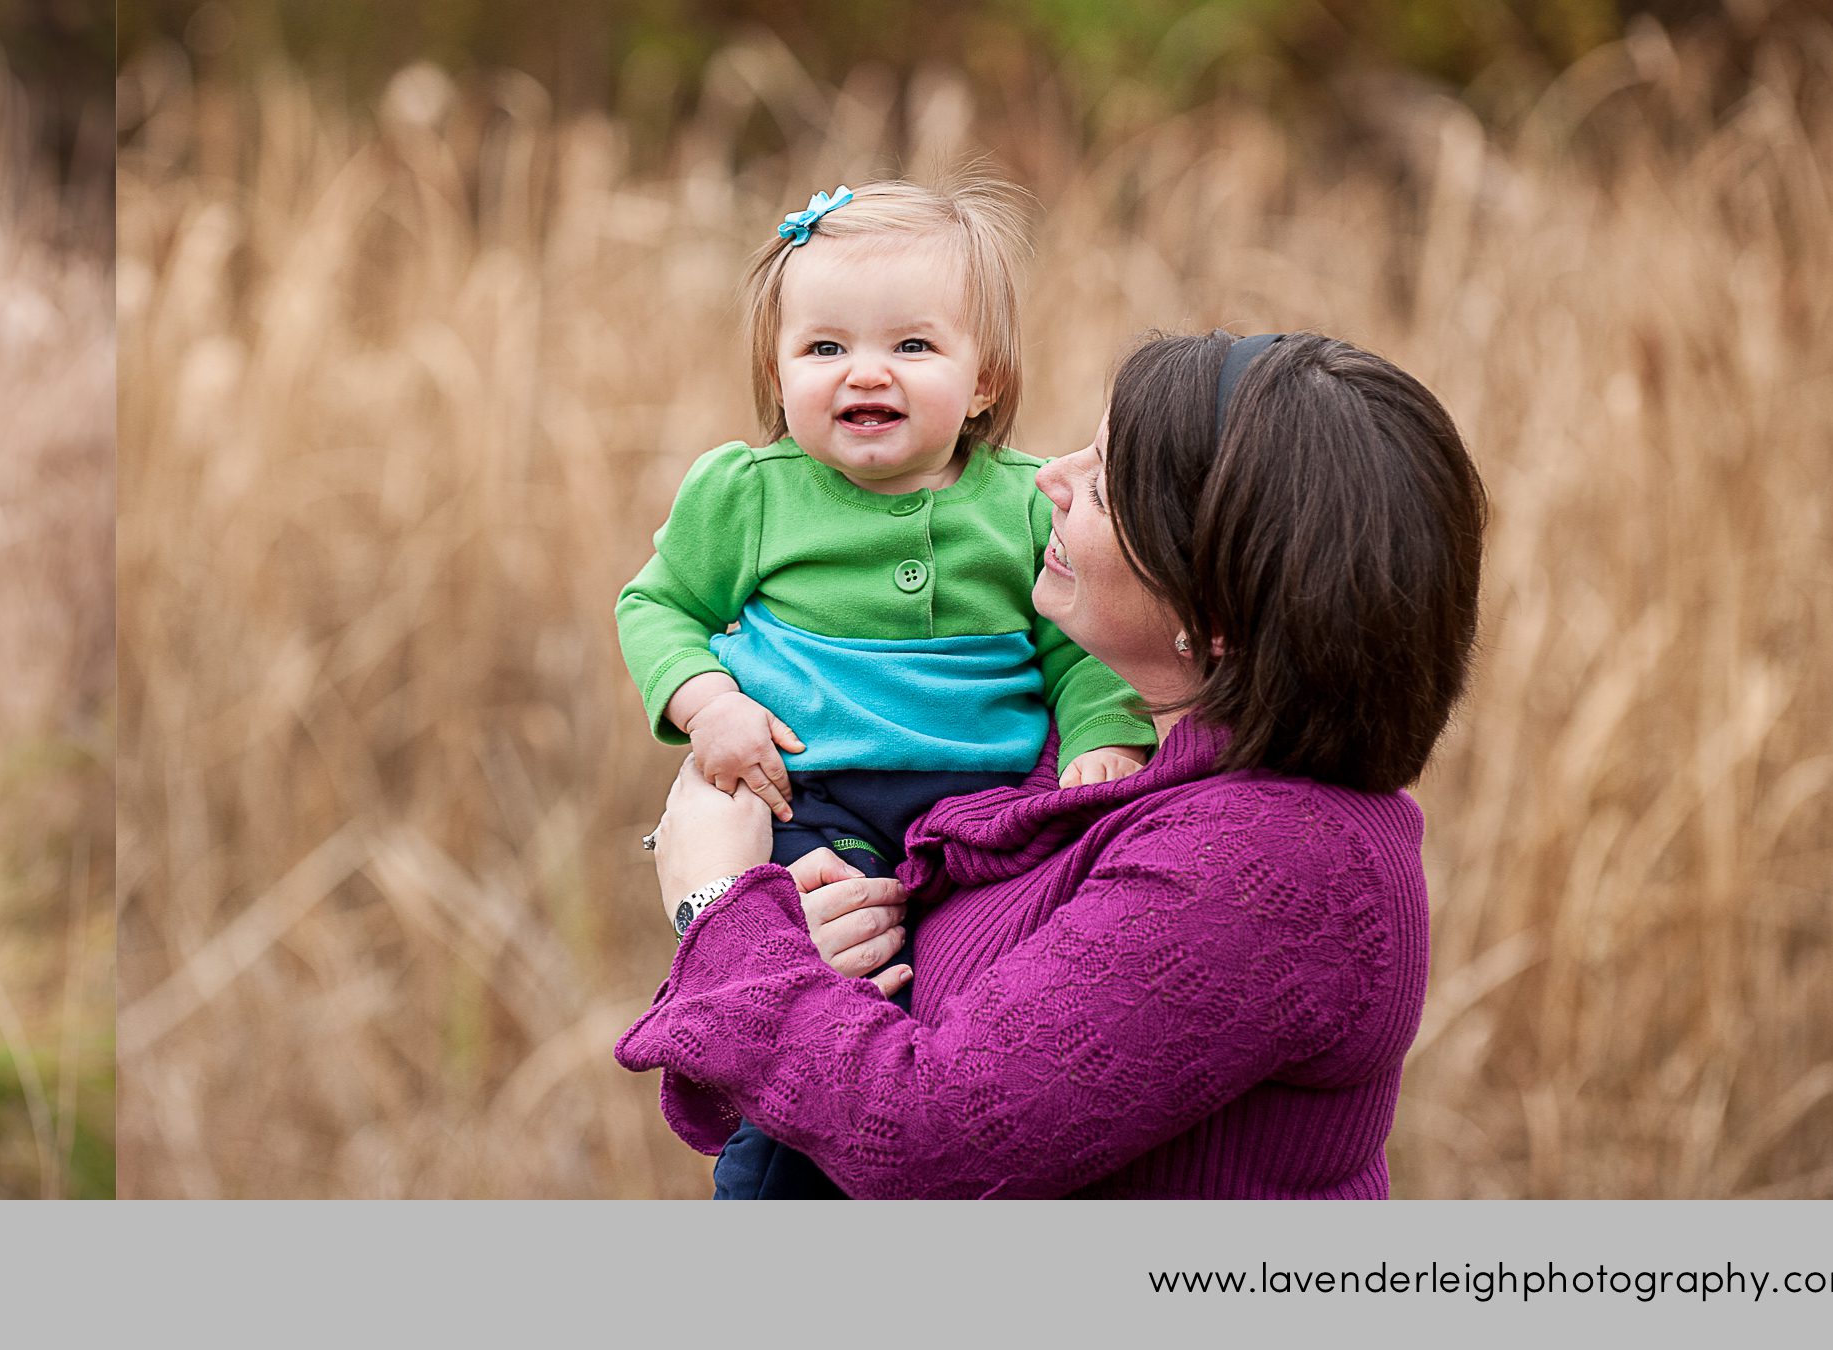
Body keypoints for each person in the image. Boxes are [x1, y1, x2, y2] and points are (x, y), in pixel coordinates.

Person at [618, 329, 1487, 1198]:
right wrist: (807, 940)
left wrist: (716, 907)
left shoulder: (1271, 863)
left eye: (1104, 487)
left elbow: (930, 1140)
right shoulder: (1075, 750)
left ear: (1214, 610)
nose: (1046, 479)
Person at [612, 178, 1155, 1198]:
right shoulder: (747, 493)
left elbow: (1078, 650)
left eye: (911, 346)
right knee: (826, 994)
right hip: (811, 800)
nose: (865, 372)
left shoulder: (1026, 502)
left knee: (971, 1032)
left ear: (983, 380)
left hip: (988, 813)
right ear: (778, 374)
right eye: (824, 349)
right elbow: (657, 609)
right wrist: (710, 705)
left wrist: (1104, 736)